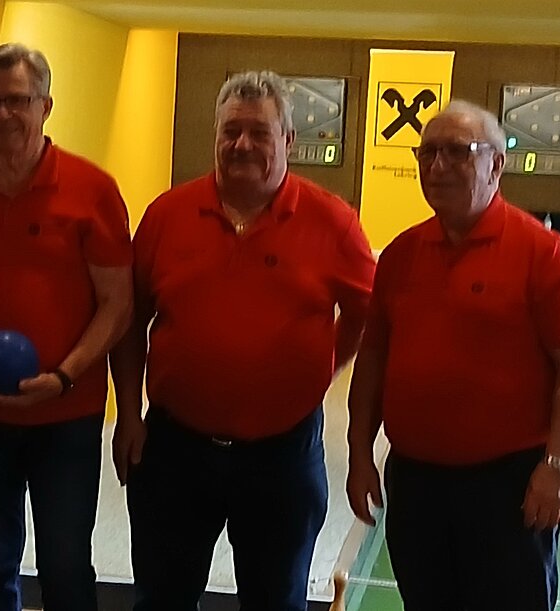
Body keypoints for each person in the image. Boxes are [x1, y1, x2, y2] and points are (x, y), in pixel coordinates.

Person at [111, 70, 375, 611]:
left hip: (283, 455)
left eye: (259, 132)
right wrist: (130, 415)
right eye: (230, 131)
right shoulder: (167, 215)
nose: (242, 145)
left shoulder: (332, 222)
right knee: (161, 599)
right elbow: (130, 320)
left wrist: (324, 364)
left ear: (288, 140)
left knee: (276, 600)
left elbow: (368, 314)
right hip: (175, 448)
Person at [346, 100, 560, 611]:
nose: (438, 166)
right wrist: (358, 454)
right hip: (416, 482)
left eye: (458, 152)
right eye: (427, 153)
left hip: (508, 487)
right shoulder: (401, 255)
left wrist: (557, 467)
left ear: (496, 164)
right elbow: (372, 361)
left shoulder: (542, 253)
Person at [0, 43, 133, 611]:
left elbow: (117, 303)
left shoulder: (92, 189)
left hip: (65, 419)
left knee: (65, 565)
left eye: (18, 100)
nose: (3, 114)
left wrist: (65, 376)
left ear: (45, 105)